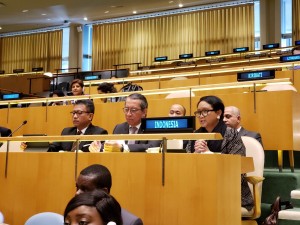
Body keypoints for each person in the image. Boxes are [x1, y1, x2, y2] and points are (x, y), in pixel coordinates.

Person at [185, 95, 254, 211]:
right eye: (198, 112)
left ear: (218, 113)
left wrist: (208, 153)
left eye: (205, 111)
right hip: (199, 188)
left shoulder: (231, 134)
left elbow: (237, 166)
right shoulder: (195, 135)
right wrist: (195, 154)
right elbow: (186, 166)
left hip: (229, 192)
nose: (201, 116)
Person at [76, 164, 143, 225]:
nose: (77, 193)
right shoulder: (71, 216)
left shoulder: (130, 222)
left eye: (85, 189)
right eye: (77, 188)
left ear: (104, 192)